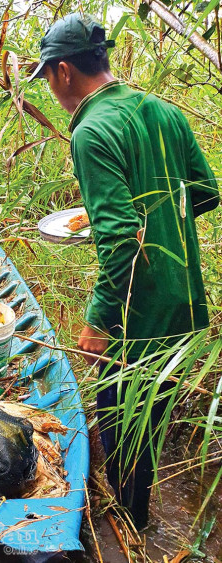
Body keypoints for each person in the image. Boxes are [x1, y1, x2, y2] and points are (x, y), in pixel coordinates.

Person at [31, 14, 219, 528]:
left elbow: (118, 238)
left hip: (137, 311)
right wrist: (157, 223)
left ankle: (127, 527)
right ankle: (139, 519)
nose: (49, 87)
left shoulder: (92, 131)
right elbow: (205, 191)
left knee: (124, 425)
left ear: (64, 71)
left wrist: (96, 320)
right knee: (152, 421)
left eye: (48, 76)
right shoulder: (163, 111)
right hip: (183, 299)